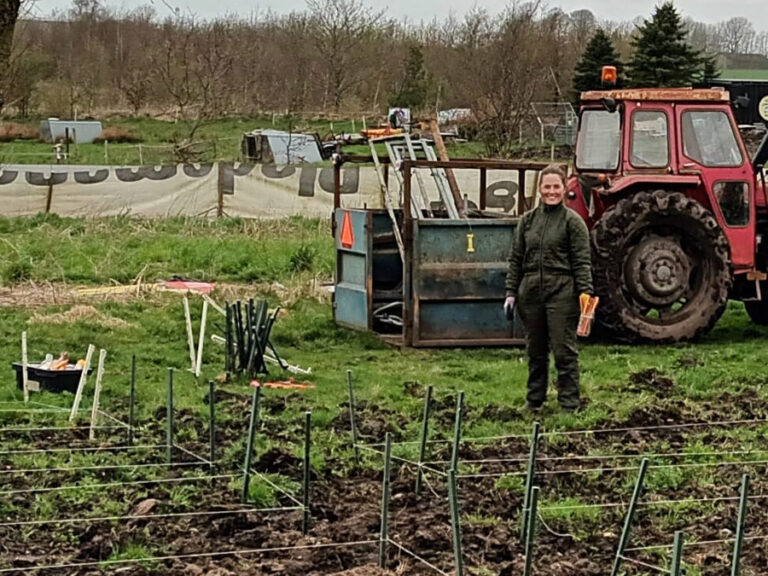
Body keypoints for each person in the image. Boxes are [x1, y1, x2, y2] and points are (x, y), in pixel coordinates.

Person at [504, 165, 593, 413]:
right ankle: (534, 400)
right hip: (530, 293)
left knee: (564, 350)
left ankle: (569, 403)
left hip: (562, 292)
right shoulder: (527, 221)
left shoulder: (573, 223)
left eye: (556, 187)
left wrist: (585, 294)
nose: (551, 192)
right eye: (547, 187)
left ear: (565, 189)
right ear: (540, 189)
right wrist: (511, 292)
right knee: (535, 350)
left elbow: (582, 262)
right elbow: (516, 258)